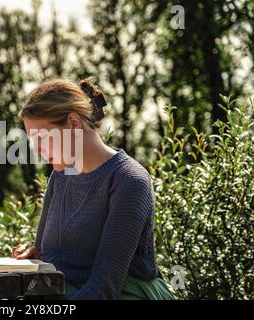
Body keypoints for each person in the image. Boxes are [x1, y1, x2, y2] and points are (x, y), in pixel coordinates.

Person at [12, 78, 175, 300]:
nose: (37, 150)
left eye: (41, 137)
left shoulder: (129, 180)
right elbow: (49, 256)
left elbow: (104, 289)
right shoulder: (59, 178)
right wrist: (37, 255)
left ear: (73, 123)